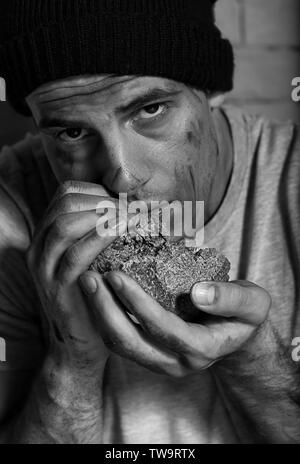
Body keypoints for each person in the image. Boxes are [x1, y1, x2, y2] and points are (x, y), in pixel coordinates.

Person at [0, 0, 299, 444]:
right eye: (72, 132)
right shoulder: (11, 213)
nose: (121, 175)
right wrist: (72, 361)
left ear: (211, 88)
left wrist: (255, 362)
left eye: (151, 109)